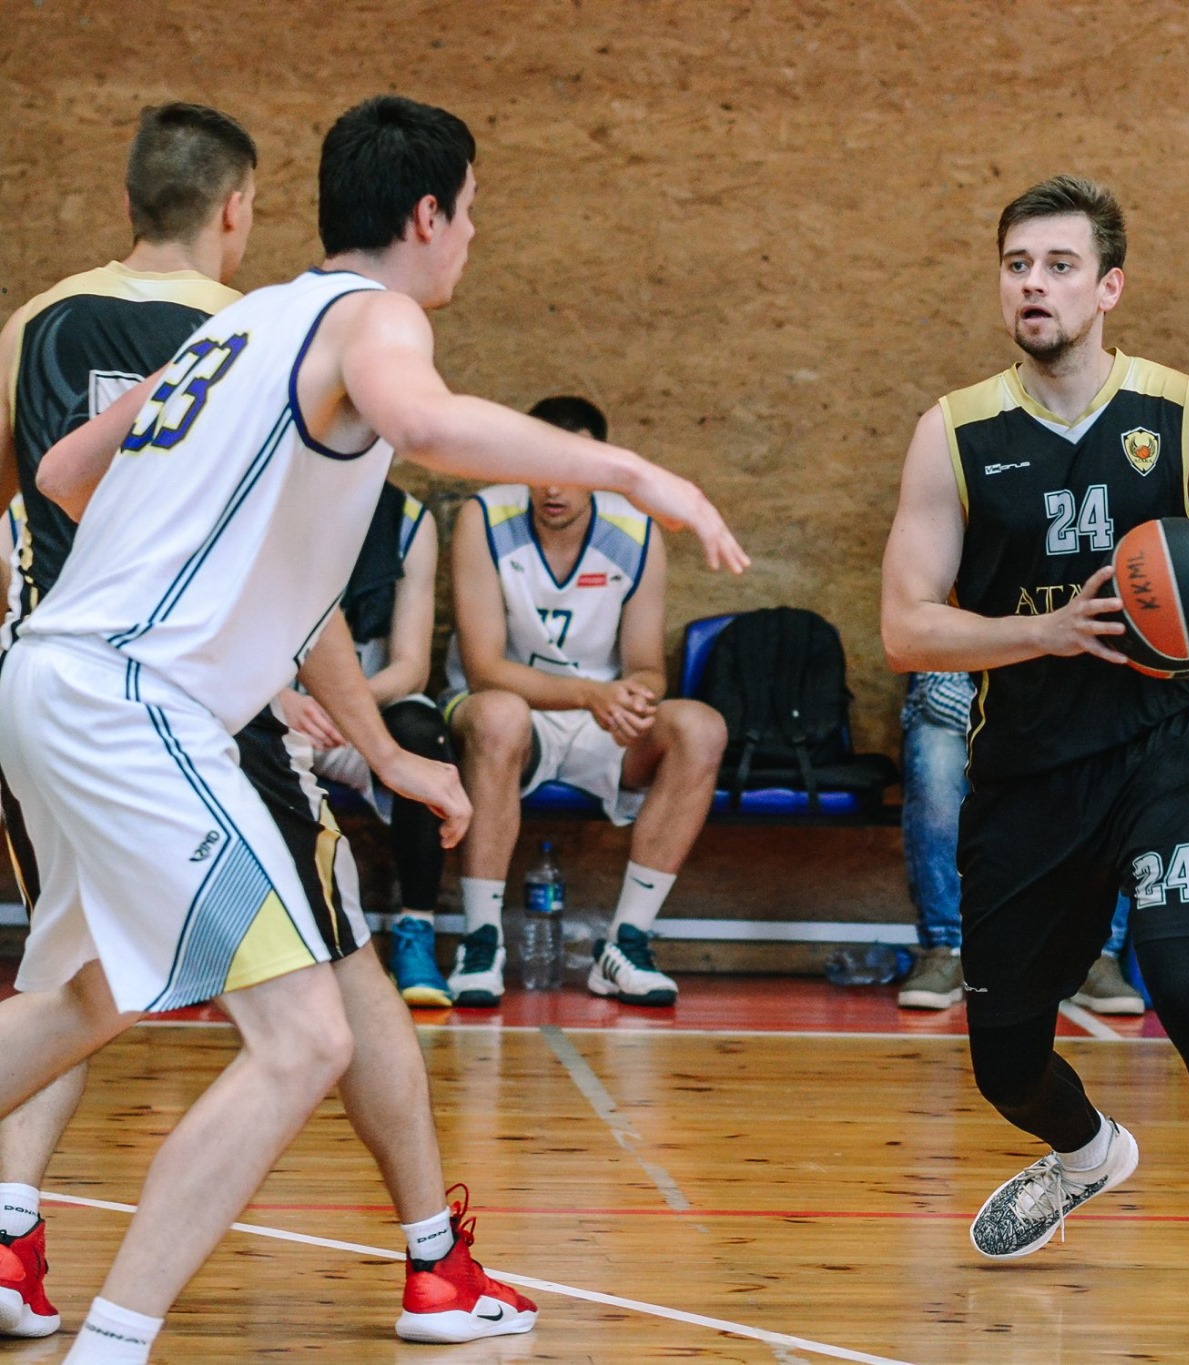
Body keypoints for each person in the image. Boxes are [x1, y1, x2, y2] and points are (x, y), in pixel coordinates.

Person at [4, 94, 745, 1361]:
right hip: (135, 704)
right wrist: (633, 472)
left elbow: (65, 472)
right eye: (472, 213)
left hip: (45, 681)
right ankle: (112, 1347)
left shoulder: (241, 326)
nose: (473, 238)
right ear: (427, 214)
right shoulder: (372, 317)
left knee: (88, 998)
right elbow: (423, 423)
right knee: (306, 1040)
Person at [0, 102, 530, 1349]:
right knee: (329, 991)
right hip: (185, 710)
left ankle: (12, 1236)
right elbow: (295, 581)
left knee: (81, 985)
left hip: (48, 681)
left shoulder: (31, 326)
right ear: (238, 208)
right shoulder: (257, 332)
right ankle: (432, 1263)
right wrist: (380, 746)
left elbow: (36, 497)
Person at [880, 175, 1189, 1363]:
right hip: (1024, 774)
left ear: (1107, 287)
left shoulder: (1180, 410)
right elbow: (904, 626)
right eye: (1015, 265)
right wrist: (1042, 632)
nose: (1031, 284)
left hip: (1156, 755)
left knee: (1188, 988)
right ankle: (1089, 1153)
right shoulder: (954, 433)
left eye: (1056, 265)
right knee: (1004, 1062)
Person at [440, 395, 729, 1010]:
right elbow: (486, 670)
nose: (553, 487)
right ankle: (481, 941)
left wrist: (633, 697)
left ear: (600, 468)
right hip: (508, 714)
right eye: (539, 465)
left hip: (597, 717)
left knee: (700, 727)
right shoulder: (482, 517)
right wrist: (592, 693)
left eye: (571, 469)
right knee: (499, 715)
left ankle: (627, 944)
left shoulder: (637, 531)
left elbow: (647, 666)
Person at [285, 480, 457, 1008]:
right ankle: (223, 944)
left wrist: (349, 704)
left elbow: (411, 665)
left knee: (421, 734)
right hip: (270, 707)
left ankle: (416, 931)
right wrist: (280, 699)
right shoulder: (267, 495)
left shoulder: (407, 519)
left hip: (359, 716)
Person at [896, 671, 1143, 1015]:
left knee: (1113, 751)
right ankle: (946, 948)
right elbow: (939, 690)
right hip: (968, 722)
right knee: (935, 754)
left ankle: (1095, 954)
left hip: (1067, 725)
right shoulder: (962, 625)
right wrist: (1018, 731)